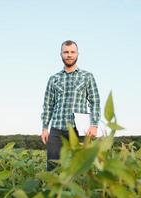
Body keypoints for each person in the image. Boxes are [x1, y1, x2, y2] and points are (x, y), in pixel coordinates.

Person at [41, 40, 101, 171]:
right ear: (61, 54)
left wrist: (94, 124)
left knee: (79, 169)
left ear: (77, 54)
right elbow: (47, 104)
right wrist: (45, 127)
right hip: (57, 129)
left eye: (72, 52)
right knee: (53, 168)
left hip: (79, 129)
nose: (69, 55)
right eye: (66, 52)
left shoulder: (87, 76)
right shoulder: (53, 79)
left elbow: (95, 101)